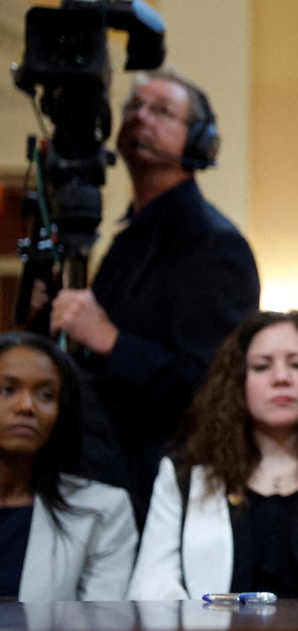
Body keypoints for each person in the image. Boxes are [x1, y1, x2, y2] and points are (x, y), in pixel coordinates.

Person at [49, 68, 260, 525]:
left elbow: (214, 383)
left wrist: (109, 340)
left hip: (158, 486)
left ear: (199, 141)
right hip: (101, 471)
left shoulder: (213, 243)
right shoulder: (129, 238)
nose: (141, 117)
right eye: (133, 108)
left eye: (162, 111)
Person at [127, 311, 298, 599]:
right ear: (237, 381)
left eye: (297, 364)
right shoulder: (185, 472)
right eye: (261, 366)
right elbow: (151, 587)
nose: (281, 378)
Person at [0, 333, 136, 601]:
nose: (26, 406)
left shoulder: (103, 510)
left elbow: (98, 630)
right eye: (7, 390)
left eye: (46, 395)